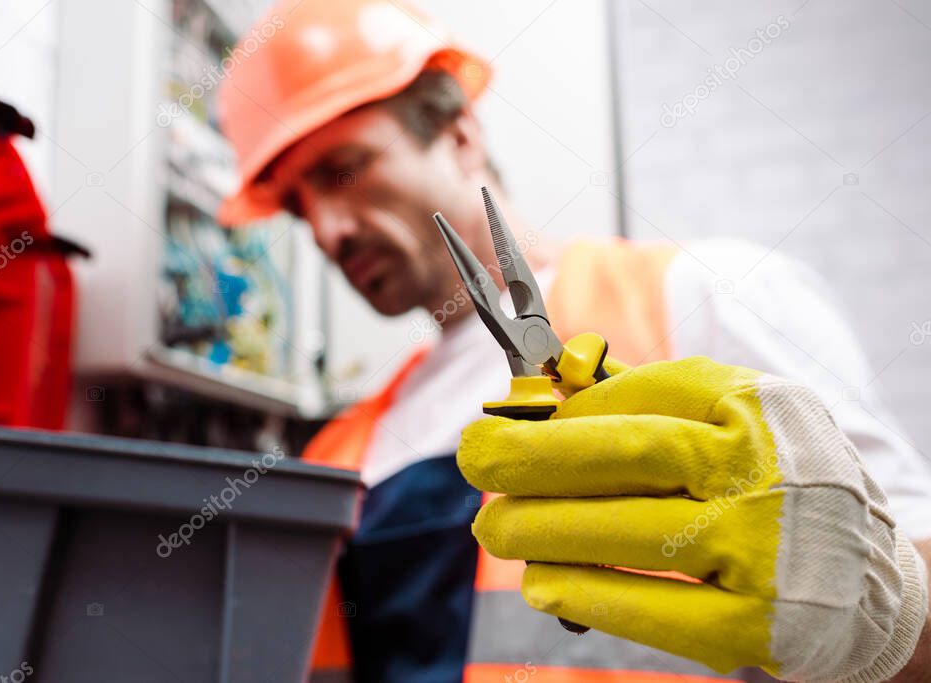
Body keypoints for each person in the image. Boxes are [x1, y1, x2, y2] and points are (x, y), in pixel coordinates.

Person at [217, 1, 931, 681]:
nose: (328, 228)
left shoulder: (706, 296)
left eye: (344, 169)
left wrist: (880, 619)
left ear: (462, 134)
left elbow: (908, 584)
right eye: (297, 203)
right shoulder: (342, 451)